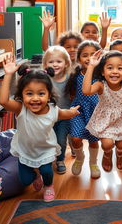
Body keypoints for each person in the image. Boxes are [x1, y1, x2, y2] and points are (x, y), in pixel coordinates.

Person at [0, 57, 79, 202]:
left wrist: (73, 112)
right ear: (22, 95)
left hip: (45, 149)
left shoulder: (53, 110)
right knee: (25, 180)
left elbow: (65, 113)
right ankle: (36, 175)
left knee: (47, 171)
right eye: (29, 94)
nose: (35, 98)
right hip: (25, 149)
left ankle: (48, 186)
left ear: (49, 95)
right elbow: (3, 101)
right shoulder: (20, 108)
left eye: (41, 94)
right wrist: (8, 74)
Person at [66, 40, 102, 179]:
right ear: (79, 58)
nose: (89, 58)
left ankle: (93, 163)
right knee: (75, 138)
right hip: (78, 110)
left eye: (93, 54)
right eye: (85, 55)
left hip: (95, 111)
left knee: (93, 140)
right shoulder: (76, 74)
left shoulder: (101, 76)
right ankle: (80, 158)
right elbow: (72, 92)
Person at [42, 45, 73, 174]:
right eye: (51, 62)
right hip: (47, 116)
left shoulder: (69, 78)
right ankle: (47, 160)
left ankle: (60, 160)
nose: (55, 64)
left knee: (61, 140)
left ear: (66, 63)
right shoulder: (44, 79)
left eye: (59, 61)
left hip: (64, 116)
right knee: (48, 140)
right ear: (45, 65)